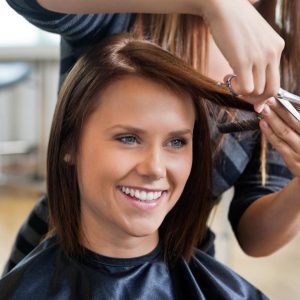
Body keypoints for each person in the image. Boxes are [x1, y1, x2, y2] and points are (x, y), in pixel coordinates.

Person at [3, 0, 300, 274]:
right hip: (61, 255)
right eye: (129, 138)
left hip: (182, 270)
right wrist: (213, 3)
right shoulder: (125, 13)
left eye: (178, 142)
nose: (155, 169)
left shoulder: (284, 69)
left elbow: (255, 237)